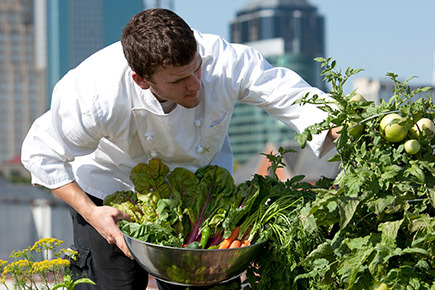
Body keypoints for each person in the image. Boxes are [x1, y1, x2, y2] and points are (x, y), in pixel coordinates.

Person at [21, 8, 337, 290]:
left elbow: (289, 95)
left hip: (198, 193)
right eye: (180, 80)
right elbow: (41, 153)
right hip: (110, 191)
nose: (196, 84)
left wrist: (334, 122)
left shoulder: (225, 61)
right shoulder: (95, 92)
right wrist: (92, 214)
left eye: (197, 68)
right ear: (142, 80)